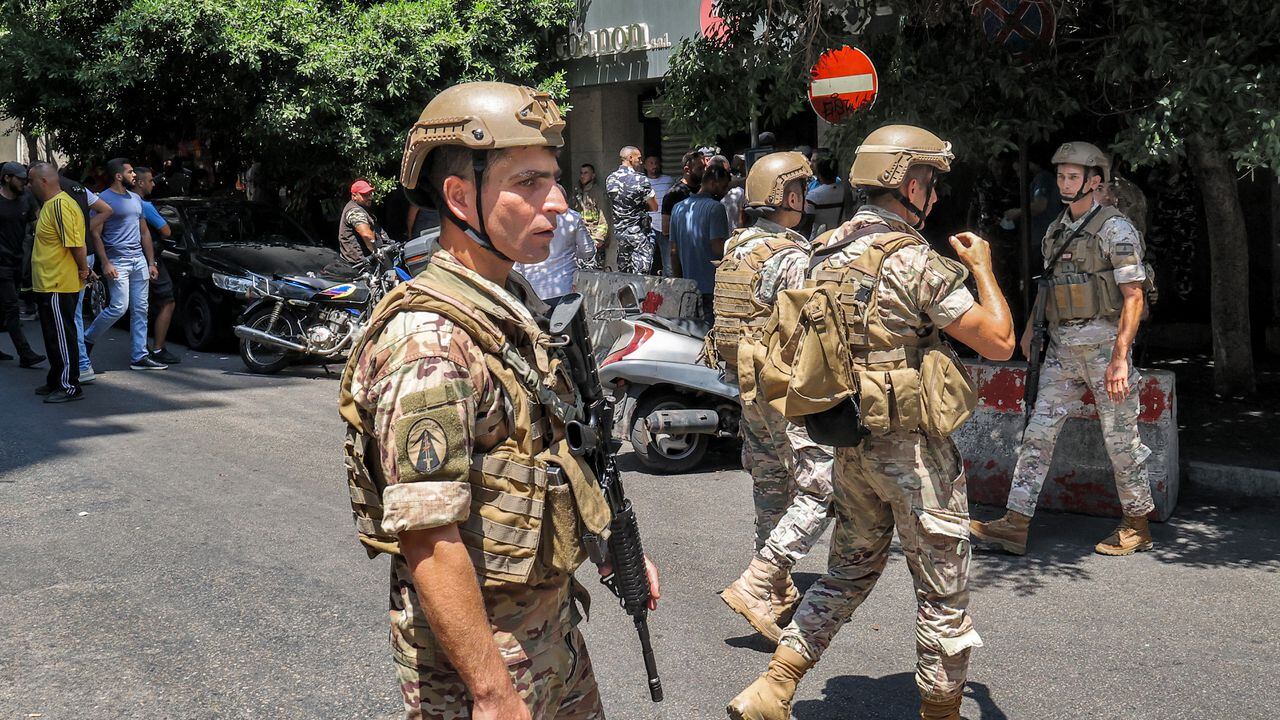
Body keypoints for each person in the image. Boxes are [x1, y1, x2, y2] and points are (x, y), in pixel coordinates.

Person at [339, 81, 661, 720]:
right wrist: (490, 691)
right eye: (530, 184)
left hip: (550, 631)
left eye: (555, 180)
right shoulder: (429, 343)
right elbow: (429, 535)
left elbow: (549, 454)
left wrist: (606, 542)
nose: (560, 204)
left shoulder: (509, 308)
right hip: (483, 659)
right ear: (460, 197)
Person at [728, 125, 1015, 720]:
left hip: (847, 445)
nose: (933, 198)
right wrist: (983, 267)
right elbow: (999, 341)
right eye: (930, 184)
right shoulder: (914, 259)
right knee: (941, 589)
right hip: (913, 456)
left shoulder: (816, 251)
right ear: (909, 183)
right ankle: (941, 710)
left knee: (846, 572)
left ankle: (773, 687)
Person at [971, 142, 1157, 557]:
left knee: (1120, 439)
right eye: (1061, 176)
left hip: (1105, 347)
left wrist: (1120, 358)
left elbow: (1134, 297)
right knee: (1037, 435)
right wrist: (1030, 328)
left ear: (1095, 180)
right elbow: (1050, 281)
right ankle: (1014, 524)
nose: (1064, 183)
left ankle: (1137, 522)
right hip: (1062, 349)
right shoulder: (1057, 228)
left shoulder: (1115, 229)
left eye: (1073, 176)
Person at [709, 152, 834, 644]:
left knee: (772, 481)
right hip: (784, 386)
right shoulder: (791, 256)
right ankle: (763, 578)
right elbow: (817, 324)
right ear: (788, 197)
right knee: (824, 487)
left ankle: (775, 590)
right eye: (799, 192)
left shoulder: (739, 248)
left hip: (748, 384)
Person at [84, 158, 166, 371]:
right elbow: (94, 233)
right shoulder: (102, 199)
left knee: (141, 308)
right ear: (118, 176)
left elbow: (144, 232)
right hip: (117, 261)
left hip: (138, 260)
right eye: (130, 172)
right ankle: (87, 339)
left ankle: (139, 356)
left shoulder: (135, 199)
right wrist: (105, 262)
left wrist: (151, 262)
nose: (134, 175)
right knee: (119, 307)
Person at [27, 163, 90, 403]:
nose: (28, 185)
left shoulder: (62, 205)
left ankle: (69, 386)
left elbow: (76, 244)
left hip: (58, 284)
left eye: (31, 181)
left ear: (43, 181)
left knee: (63, 336)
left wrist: (84, 270)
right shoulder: (49, 206)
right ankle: (56, 379)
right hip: (47, 283)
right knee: (53, 336)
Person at [60, 172, 113, 383]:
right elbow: (106, 210)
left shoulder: (52, 191)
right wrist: (85, 230)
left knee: (72, 313)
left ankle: (81, 365)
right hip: (85, 252)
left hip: (76, 254)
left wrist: (80, 231)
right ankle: (80, 364)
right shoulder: (78, 187)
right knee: (75, 312)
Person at [513, 184, 596, 304]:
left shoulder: (526, 219)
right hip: (564, 287)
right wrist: (571, 254)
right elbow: (588, 250)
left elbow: (517, 259)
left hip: (533, 289)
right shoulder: (573, 218)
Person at [669, 163, 731, 317]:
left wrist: (679, 283)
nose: (725, 192)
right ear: (712, 183)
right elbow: (718, 248)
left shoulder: (677, 208)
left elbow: (673, 252)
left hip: (688, 288)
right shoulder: (716, 208)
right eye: (723, 187)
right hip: (712, 287)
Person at [133, 167, 180, 365]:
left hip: (131, 256)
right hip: (150, 258)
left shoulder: (125, 202)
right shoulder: (145, 206)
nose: (153, 184)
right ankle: (158, 348)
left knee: (138, 306)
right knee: (167, 302)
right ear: (141, 183)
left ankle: (140, 350)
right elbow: (167, 231)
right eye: (150, 181)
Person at [0, 162, 44, 367]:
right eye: (20, 179)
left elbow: (38, 224)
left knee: (4, 307)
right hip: (1, 265)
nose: (24, 183)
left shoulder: (27, 198)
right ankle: (25, 354)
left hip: (18, 260)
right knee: (11, 307)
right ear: (7, 178)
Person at [605, 146, 657, 274]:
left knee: (624, 274)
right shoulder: (641, 179)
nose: (640, 161)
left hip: (620, 234)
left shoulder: (610, 179)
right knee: (641, 275)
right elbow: (654, 206)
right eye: (638, 158)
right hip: (638, 234)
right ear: (630, 158)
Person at [660, 149, 706, 272]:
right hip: (683, 254)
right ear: (687, 170)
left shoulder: (705, 190)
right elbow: (665, 229)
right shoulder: (674, 194)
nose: (704, 172)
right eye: (700, 169)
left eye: (705, 168)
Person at [338, 179, 385, 266]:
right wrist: (377, 253)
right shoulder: (354, 211)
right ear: (354, 196)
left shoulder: (362, 208)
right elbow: (366, 235)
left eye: (370, 194)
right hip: (360, 265)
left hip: (366, 262)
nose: (369, 197)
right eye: (364, 195)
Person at [644, 154, 677, 275]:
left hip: (665, 226)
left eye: (656, 163)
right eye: (651, 163)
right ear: (645, 166)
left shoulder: (668, 181)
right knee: (646, 262)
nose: (654, 166)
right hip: (649, 227)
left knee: (669, 264)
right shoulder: (643, 182)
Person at [573, 163, 608, 269]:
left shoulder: (598, 192)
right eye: (581, 173)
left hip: (594, 239)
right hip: (579, 239)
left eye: (586, 173)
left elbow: (604, 216)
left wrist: (599, 239)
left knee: (595, 271)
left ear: (593, 175)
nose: (582, 176)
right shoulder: (577, 192)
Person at [804, 157, 845, 240]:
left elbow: (807, 226)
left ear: (819, 174)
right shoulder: (846, 191)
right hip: (841, 237)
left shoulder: (813, 196)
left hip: (819, 240)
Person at [711, 155, 746, 234]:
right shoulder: (707, 198)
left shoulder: (738, 193)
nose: (730, 176)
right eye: (726, 172)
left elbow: (743, 220)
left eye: (729, 172)